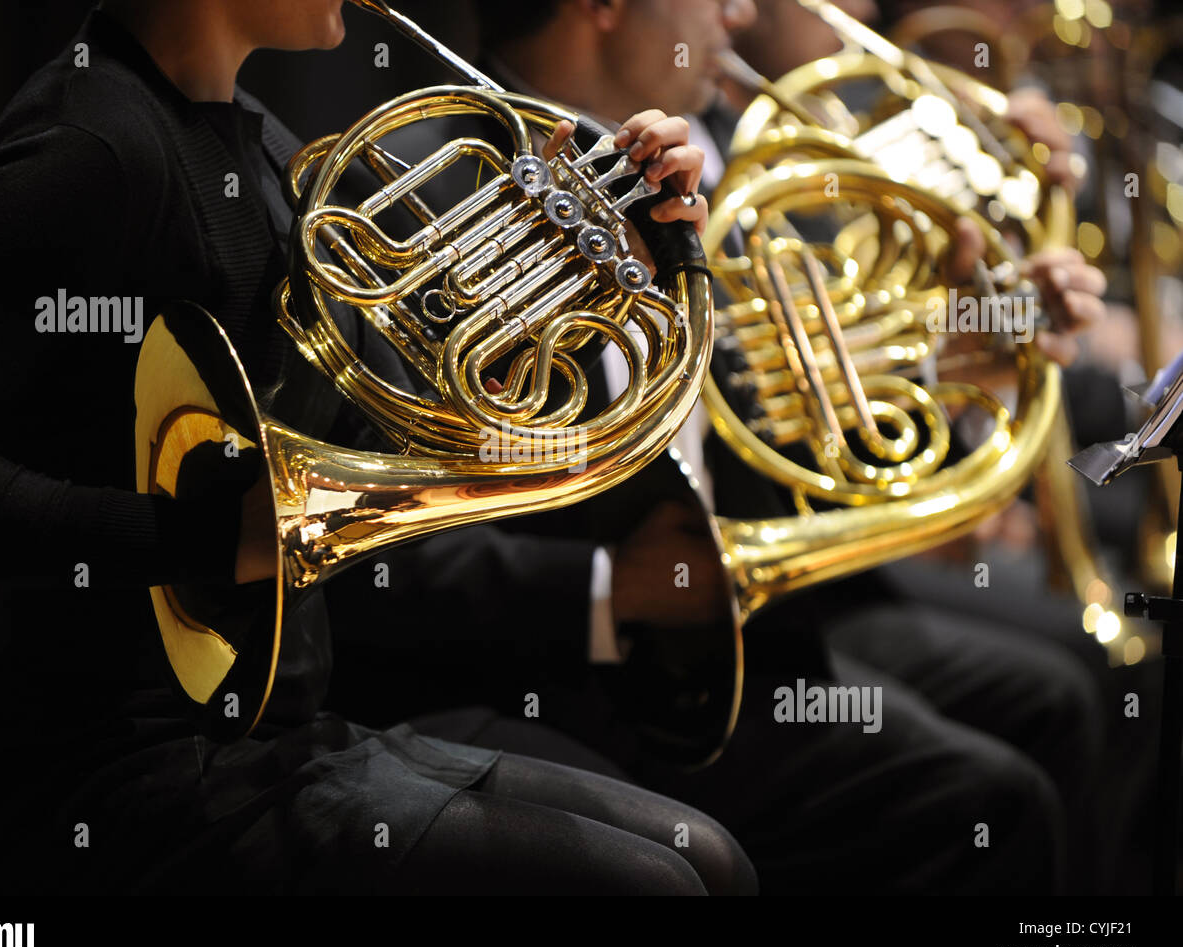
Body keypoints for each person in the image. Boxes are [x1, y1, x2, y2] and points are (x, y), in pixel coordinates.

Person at [0, 0, 759, 895]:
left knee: (710, 861)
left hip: (266, 741)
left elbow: (407, 414)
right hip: (91, 783)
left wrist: (619, 253)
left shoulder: (256, 143)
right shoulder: (91, 140)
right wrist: (198, 541)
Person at [322, 0, 1118, 893]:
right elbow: (408, 544)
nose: (739, 12)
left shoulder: (675, 170)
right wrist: (620, 592)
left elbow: (782, 418)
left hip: (731, 621)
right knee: (990, 797)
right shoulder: (426, 189)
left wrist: (965, 354)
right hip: (549, 663)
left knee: (1050, 707)